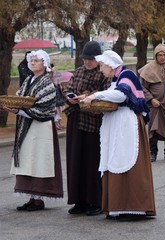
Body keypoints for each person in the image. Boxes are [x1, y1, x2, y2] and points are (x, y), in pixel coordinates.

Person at [80, 50, 156, 220]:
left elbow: (121, 96)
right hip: (118, 126)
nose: (100, 69)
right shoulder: (116, 79)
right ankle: (118, 206)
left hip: (127, 126)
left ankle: (133, 207)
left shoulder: (127, 74)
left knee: (127, 160)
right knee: (114, 158)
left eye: (102, 65)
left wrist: (95, 95)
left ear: (111, 65)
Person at [2, 50, 64, 211]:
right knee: (28, 160)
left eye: (37, 60)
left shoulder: (47, 83)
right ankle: (32, 197)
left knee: (39, 160)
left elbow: (44, 108)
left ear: (45, 63)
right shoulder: (29, 79)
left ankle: (39, 198)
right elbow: (20, 97)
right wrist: (15, 105)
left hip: (41, 127)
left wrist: (18, 110)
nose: (33, 62)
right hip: (27, 126)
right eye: (32, 60)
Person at [63, 41, 111, 216]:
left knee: (92, 163)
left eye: (91, 59)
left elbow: (107, 96)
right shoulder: (78, 72)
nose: (87, 62)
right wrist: (71, 98)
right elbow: (67, 88)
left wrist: (89, 97)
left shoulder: (103, 74)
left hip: (93, 123)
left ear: (98, 59)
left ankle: (95, 200)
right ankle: (79, 200)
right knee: (75, 161)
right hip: (76, 119)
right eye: (85, 59)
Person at [50, 63, 66, 130]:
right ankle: (56, 124)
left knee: (59, 110)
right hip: (54, 94)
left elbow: (59, 83)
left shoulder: (56, 74)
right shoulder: (49, 75)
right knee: (56, 110)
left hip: (58, 93)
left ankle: (59, 123)